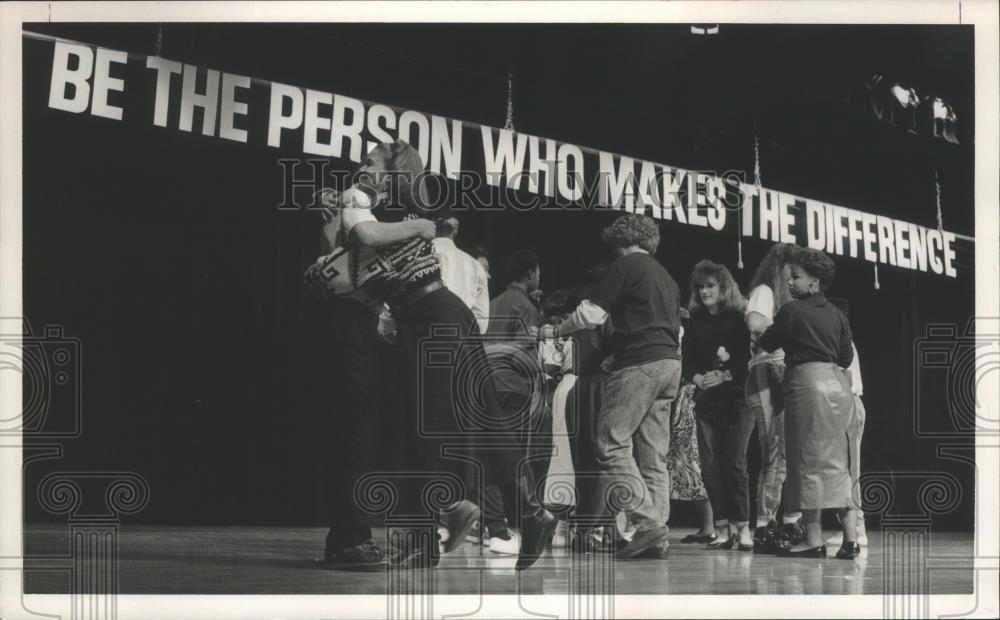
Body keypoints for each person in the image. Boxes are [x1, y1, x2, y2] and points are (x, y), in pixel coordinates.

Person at [319, 140, 556, 570]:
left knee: (427, 427)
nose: (362, 167)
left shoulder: (383, 209)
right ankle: (531, 515)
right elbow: (349, 250)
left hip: (432, 317)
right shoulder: (395, 210)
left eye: (371, 162)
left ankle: (437, 525)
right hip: (439, 315)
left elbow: (359, 238)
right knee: (480, 416)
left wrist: (409, 226)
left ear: (394, 170)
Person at [542, 214, 682, 560]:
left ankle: (648, 525)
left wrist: (556, 332)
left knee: (610, 442)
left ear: (620, 242)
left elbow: (591, 314)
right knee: (653, 456)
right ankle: (657, 533)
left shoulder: (625, 266)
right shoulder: (667, 278)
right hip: (671, 364)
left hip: (641, 364)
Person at [758, 248, 861, 560]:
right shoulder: (838, 314)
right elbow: (845, 357)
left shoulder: (791, 312)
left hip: (807, 387)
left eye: (796, 278)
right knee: (839, 464)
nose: (790, 283)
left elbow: (768, 342)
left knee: (806, 465)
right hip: (839, 390)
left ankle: (813, 540)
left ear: (815, 282)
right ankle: (850, 541)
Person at [682, 260, 754, 550]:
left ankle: (743, 529)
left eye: (710, 286)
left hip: (738, 400)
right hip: (707, 402)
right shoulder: (695, 323)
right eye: (701, 287)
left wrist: (724, 374)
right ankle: (722, 528)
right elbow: (687, 362)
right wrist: (699, 378)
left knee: (735, 463)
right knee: (710, 467)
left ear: (723, 287)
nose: (704, 292)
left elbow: (749, 361)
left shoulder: (740, 319)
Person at [743, 243, 804, 553]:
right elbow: (755, 322)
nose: (794, 278)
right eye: (791, 271)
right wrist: (786, 332)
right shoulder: (765, 291)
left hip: (786, 375)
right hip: (768, 373)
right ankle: (766, 525)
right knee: (775, 455)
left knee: (791, 454)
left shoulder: (787, 297)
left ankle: (791, 520)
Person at [433, 216, 490, 334]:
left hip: (416, 340)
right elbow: (481, 322)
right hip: (458, 342)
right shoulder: (475, 266)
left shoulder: (416, 256)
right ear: (456, 228)